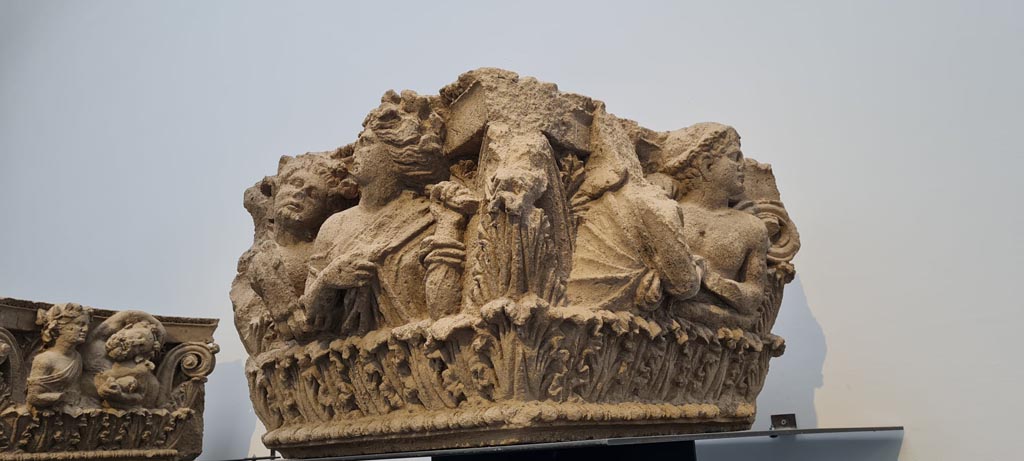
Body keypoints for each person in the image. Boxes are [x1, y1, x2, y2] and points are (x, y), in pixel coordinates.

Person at [301, 90, 453, 335]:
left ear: (398, 152)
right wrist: (328, 280)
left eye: (367, 143)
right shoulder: (334, 226)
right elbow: (309, 318)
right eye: (359, 141)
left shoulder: (428, 216)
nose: (357, 151)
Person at [648, 123, 769, 329]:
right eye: (734, 157)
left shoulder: (752, 228)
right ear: (708, 166)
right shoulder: (670, 215)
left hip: (719, 328)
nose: (742, 166)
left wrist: (709, 279)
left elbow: (754, 297)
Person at [232, 150, 358, 347]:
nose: (299, 194)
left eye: (312, 194)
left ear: (327, 209)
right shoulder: (260, 258)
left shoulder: (326, 248)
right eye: (295, 183)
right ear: (278, 189)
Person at [27, 303, 90, 409]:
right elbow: (33, 397)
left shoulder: (77, 357)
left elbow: (75, 391)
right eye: (80, 324)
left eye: (87, 325)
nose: (86, 329)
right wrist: (61, 397)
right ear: (60, 327)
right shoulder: (44, 359)